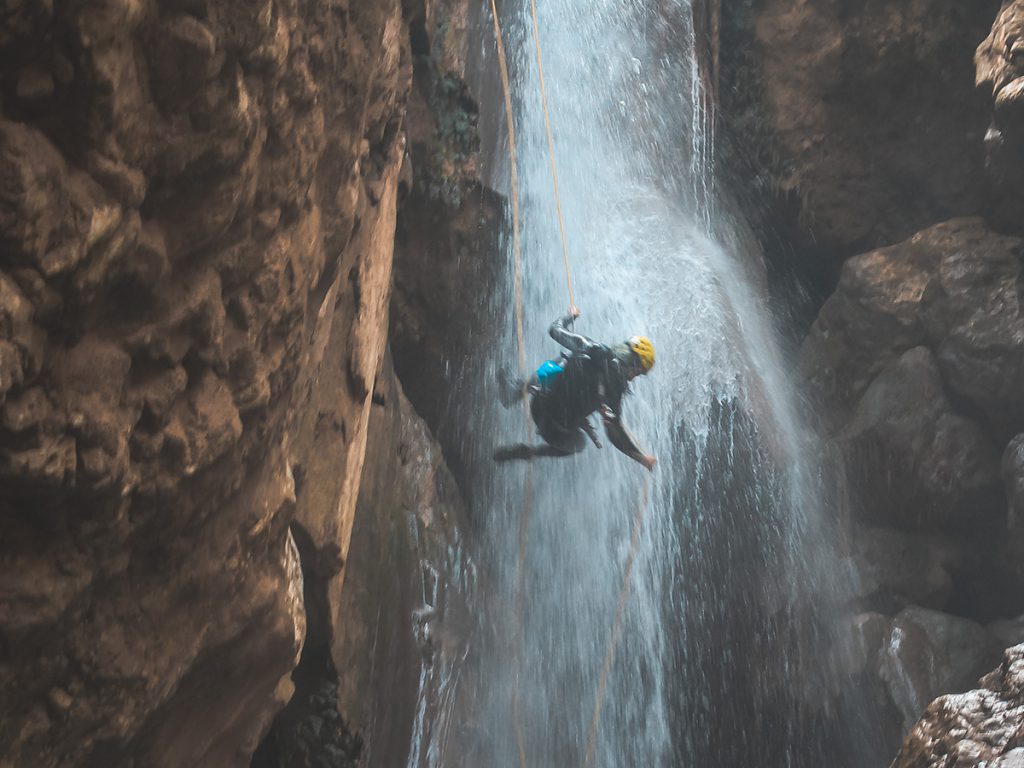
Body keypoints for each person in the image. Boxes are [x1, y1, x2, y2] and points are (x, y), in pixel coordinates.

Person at [494, 308, 657, 471]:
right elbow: (616, 435)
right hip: (557, 432)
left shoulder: (592, 348)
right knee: (579, 444)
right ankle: (531, 452)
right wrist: (641, 458)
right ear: (633, 362)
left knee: (563, 360)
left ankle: (515, 391)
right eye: (637, 372)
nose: (633, 377)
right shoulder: (615, 392)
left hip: (539, 406)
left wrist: (570, 316)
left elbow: (555, 330)